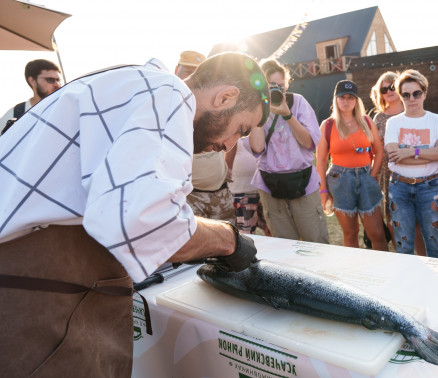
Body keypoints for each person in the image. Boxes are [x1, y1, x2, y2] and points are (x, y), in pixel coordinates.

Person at [0, 52, 270, 377]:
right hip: (32, 303)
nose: (229, 146)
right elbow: (149, 224)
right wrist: (229, 239)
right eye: (240, 129)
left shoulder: (127, 83)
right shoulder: (167, 92)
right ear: (225, 96)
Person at [246, 59, 328, 243]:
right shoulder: (256, 108)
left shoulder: (297, 102)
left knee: (316, 243)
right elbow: (258, 148)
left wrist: (287, 114)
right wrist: (260, 108)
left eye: (281, 86)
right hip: (270, 186)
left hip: (303, 184)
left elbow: (309, 143)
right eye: (272, 86)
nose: (278, 90)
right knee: (284, 245)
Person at [384, 70, 438, 258]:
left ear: (424, 93)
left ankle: (435, 286)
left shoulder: (437, 120)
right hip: (400, 187)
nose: (411, 98)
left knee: (434, 245)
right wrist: (431, 154)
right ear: (400, 96)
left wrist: (410, 151)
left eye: (417, 93)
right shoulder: (393, 123)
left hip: (430, 187)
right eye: (406, 94)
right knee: (404, 247)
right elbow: (393, 155)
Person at [316, 80, 387, 251]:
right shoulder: (328, 125)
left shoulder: (367, 122)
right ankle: (354, 274)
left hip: (366, 178)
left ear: (356, 101)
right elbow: (320, 161)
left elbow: (379, 151)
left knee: (377, 233)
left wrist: (372, 175)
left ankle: (387, 272)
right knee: (350, 233)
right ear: (336, 99)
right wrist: (323, 191)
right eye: (342, 97)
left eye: (350, 97)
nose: (346, 101)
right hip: (339, 181)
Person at [175, 51, 237, 226]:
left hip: (221, 193)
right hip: (191, 197)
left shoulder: (218, 107)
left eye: (197, 72)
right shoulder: (174, 109)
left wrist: (228, 167)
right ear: (176, 71)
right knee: (196, 248)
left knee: (231, 243)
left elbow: (233, 136)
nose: (193, 77)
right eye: (187, 71)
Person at [370, 71, 425, 254]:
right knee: (393, 220)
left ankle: (426, 260)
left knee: (416, 221)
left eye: (392, 86)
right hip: (388, 175)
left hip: (413, 170)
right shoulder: (378, 118)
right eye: (384, 89)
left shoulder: (411, 111)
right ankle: (403, 258)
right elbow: (375, 150)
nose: (389, 91)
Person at [0, 59, 62, 134]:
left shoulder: (67, 108)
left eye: (58, 80)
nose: (57, 84)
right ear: (32, 81)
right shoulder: (16, 114)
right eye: (50, 80)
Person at [226, 138, 271, 235]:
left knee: (273, 232)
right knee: (246, 234)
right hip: (241, 192)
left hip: (264, 190)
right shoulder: (232, 129)